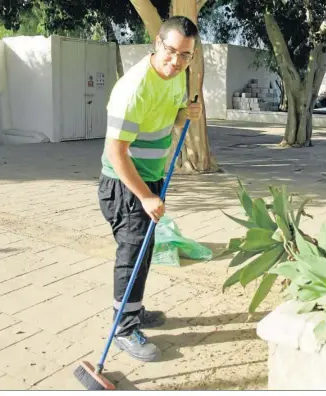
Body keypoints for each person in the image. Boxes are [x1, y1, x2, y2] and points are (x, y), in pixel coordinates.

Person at [97, 15, 202, 363]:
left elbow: (168, 119)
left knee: (144, 249)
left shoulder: (176, 78)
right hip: (125, 185)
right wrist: (144, 195)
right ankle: (124, 328)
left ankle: (134, 309)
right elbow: (116, 151)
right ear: (158, 43)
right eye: (171, 51)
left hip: (151, 179)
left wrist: (184, 113)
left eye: (185, 55)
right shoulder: (134, 87)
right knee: (131, 254)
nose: (176, 61)